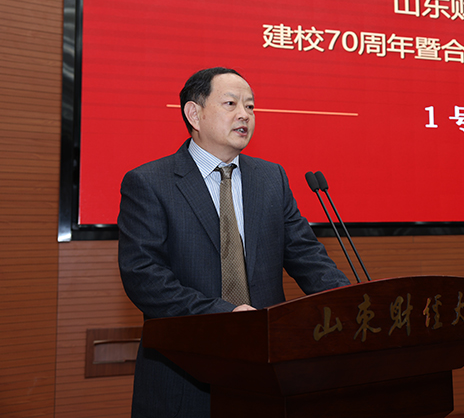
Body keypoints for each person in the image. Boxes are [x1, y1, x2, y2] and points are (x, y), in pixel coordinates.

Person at [118, 67, 350, 418]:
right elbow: (144, 276)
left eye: (251, 106)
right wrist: (225, 316)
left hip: (268, 374)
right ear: (194, 113)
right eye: (231, 104)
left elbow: (307, 255)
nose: (245, 115)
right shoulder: (149, 182)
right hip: (184, 373)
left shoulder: (271, 178)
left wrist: (349, 304)